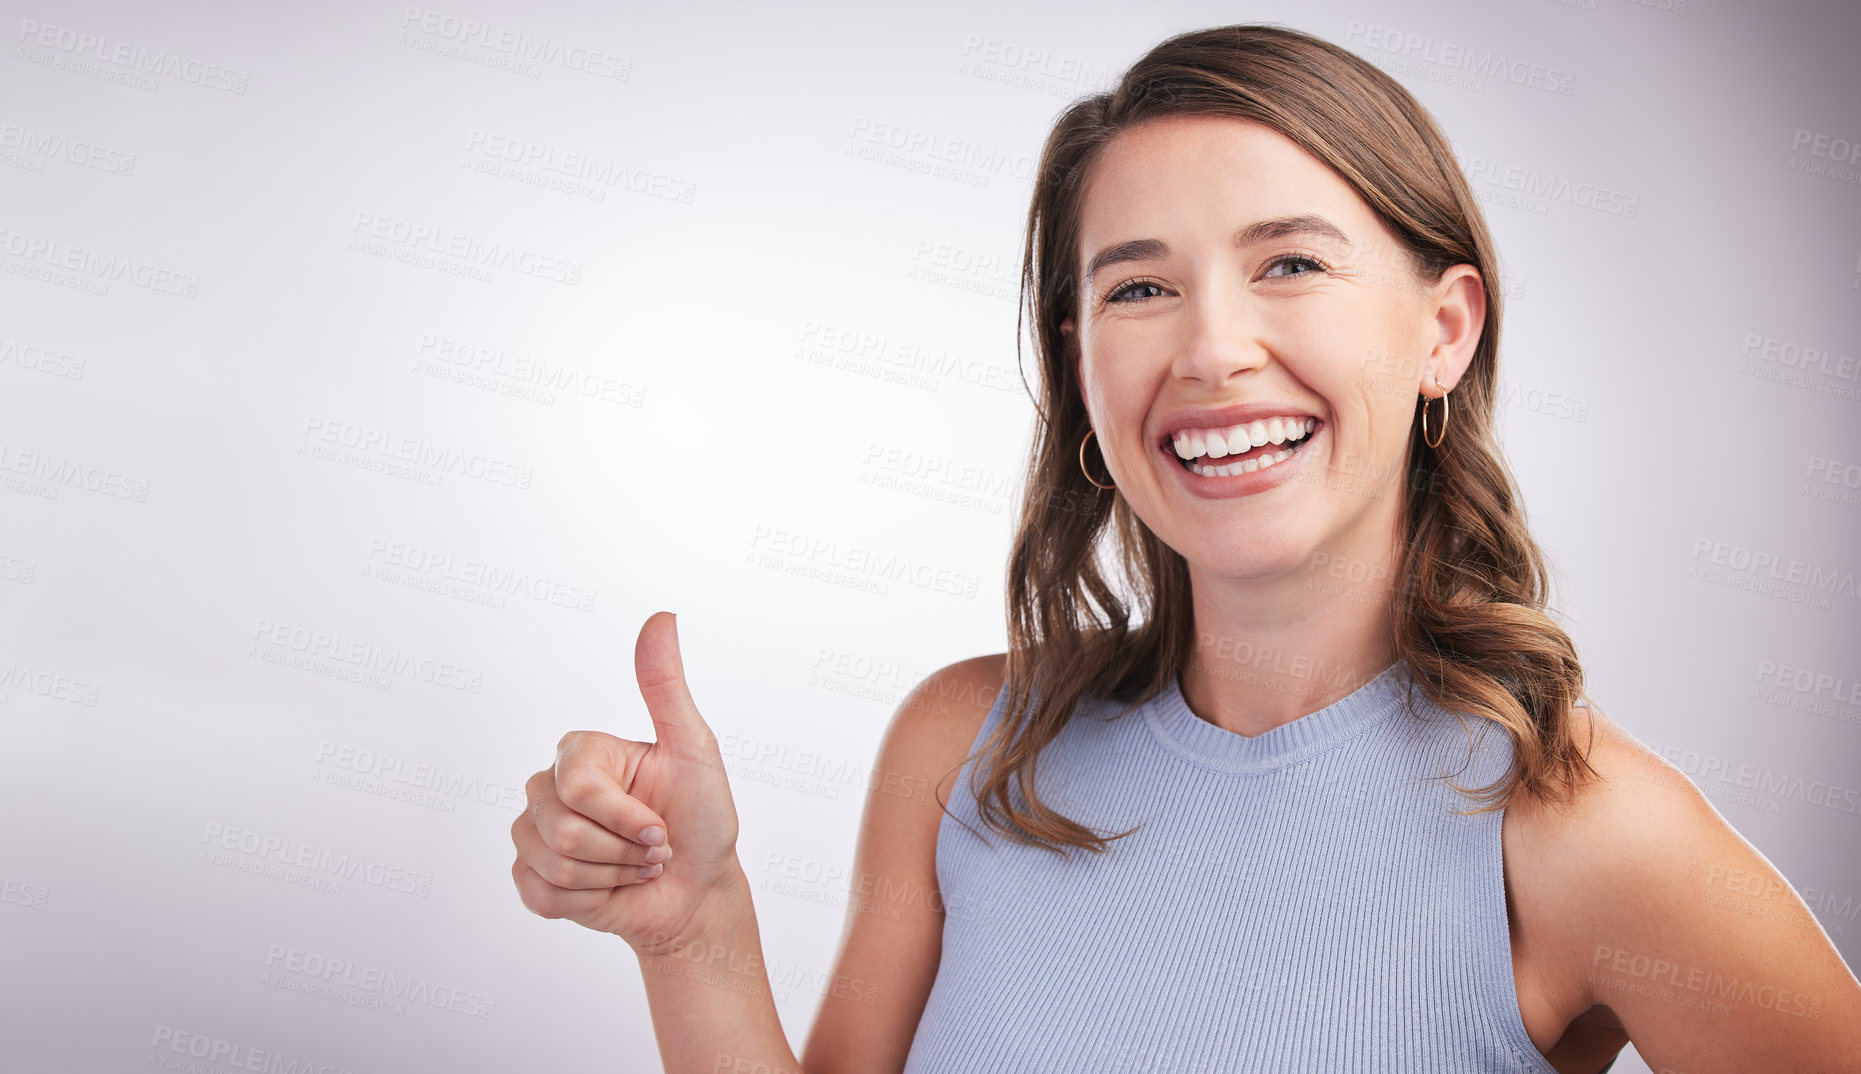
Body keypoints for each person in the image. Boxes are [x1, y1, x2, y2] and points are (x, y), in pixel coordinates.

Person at [508, 23, 1861, 1074]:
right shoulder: (971, 742)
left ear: (1442, 329)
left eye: (1289, 264)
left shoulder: (1581, 829)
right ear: (1078, 363)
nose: (1211, 348)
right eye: (1139, 287)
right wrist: (695, 926)